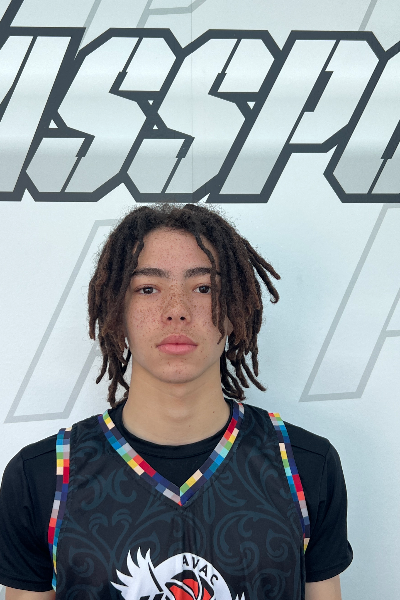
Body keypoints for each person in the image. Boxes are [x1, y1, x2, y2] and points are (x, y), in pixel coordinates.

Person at [0, 203, 352, 600]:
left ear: (235, 309)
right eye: (148, 289)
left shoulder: (304, 465)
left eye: (204, 288)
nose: (177, 311)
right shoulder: (42, 476)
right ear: (116, 310)